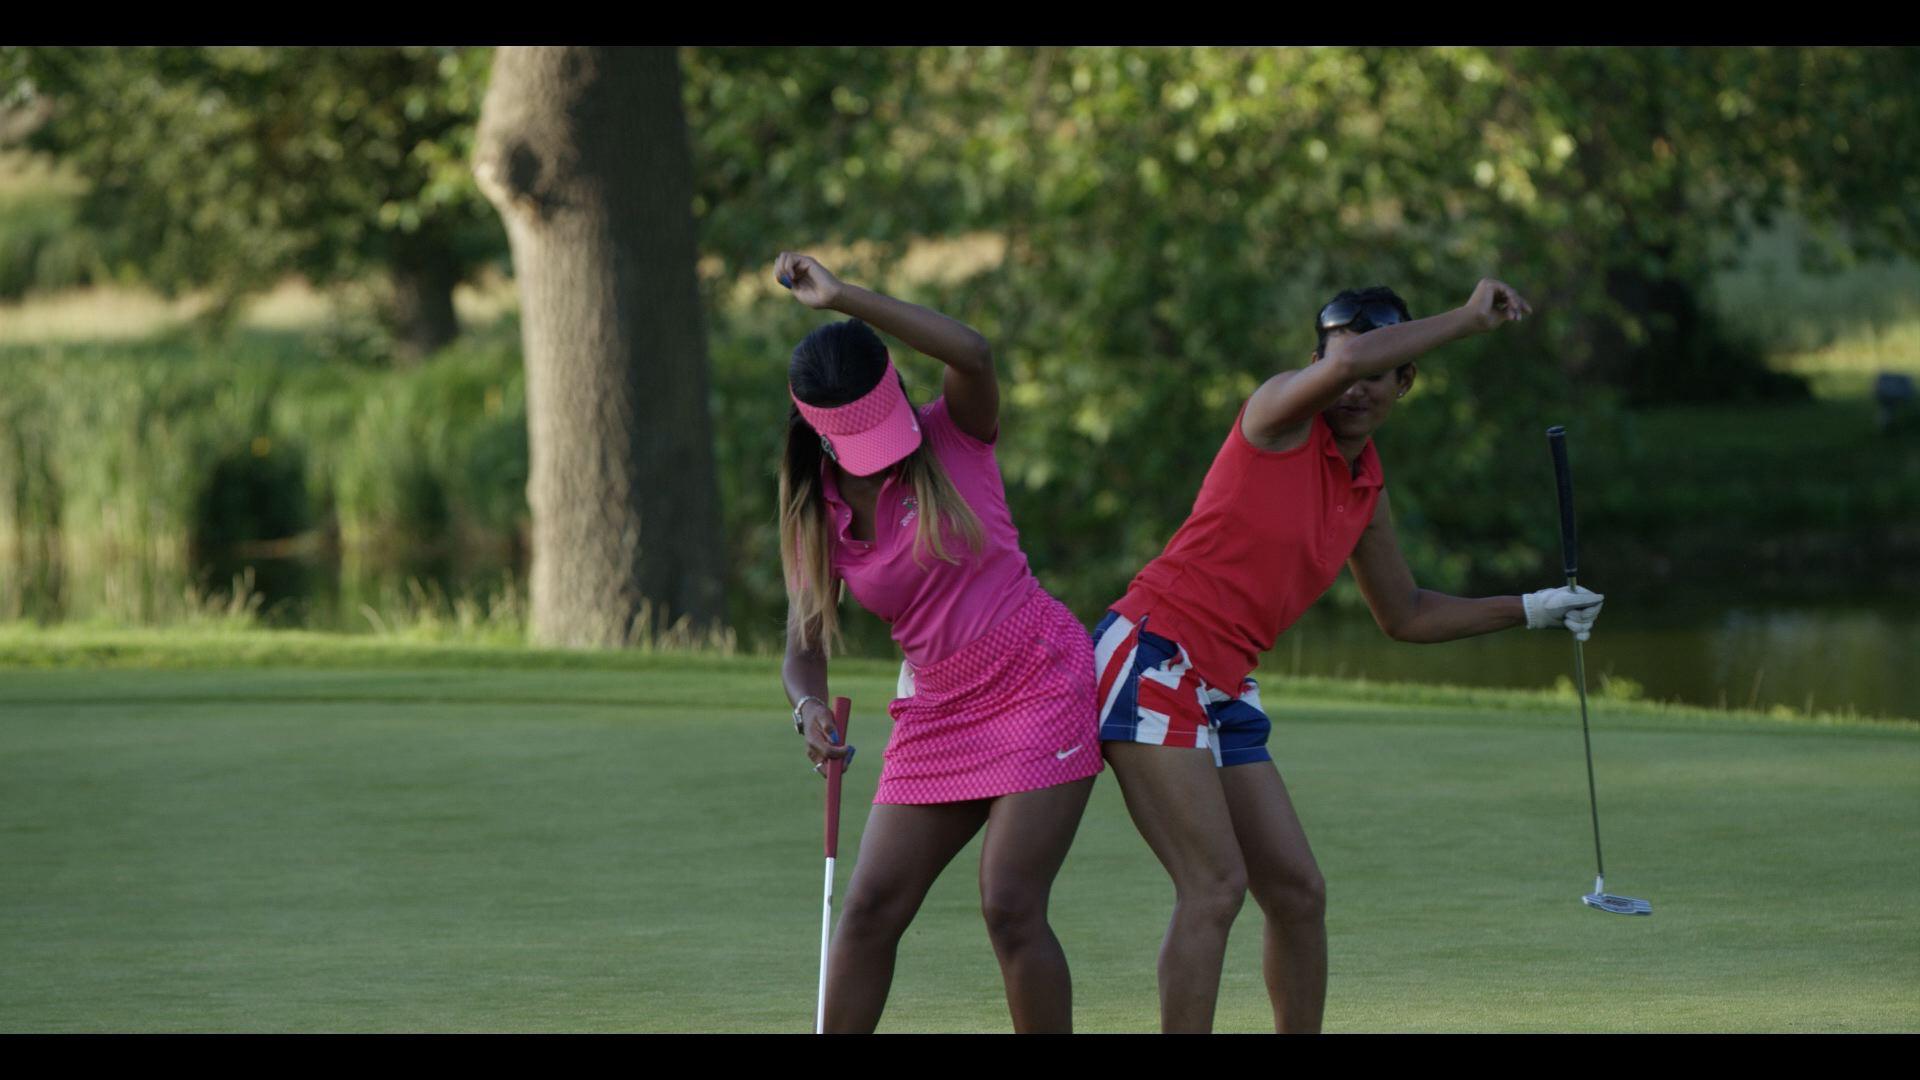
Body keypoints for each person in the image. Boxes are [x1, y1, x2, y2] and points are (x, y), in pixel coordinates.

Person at [1093, 279, 1604, 1033]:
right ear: (1318, 365)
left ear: (1406, 383)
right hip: (1151, 654)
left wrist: (1531, 609)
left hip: (1224, 681)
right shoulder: (1276, 415)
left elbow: (1405, 613)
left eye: (1378, 377)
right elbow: (1345, 364)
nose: (1358, 388)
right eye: (1345, 369)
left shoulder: (1365, 487)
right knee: (1214, 888)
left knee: (1297, 892)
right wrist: (1466, 319)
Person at [775, 251, 1102, 1034]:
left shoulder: (955, 431)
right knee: (867, 910)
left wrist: (845, 296)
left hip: (1040, 677)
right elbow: (804, 645)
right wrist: (807, 704)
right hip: (938, 709)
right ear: (821, 434)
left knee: (1010, 904)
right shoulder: (814, 511)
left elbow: (974, 350)